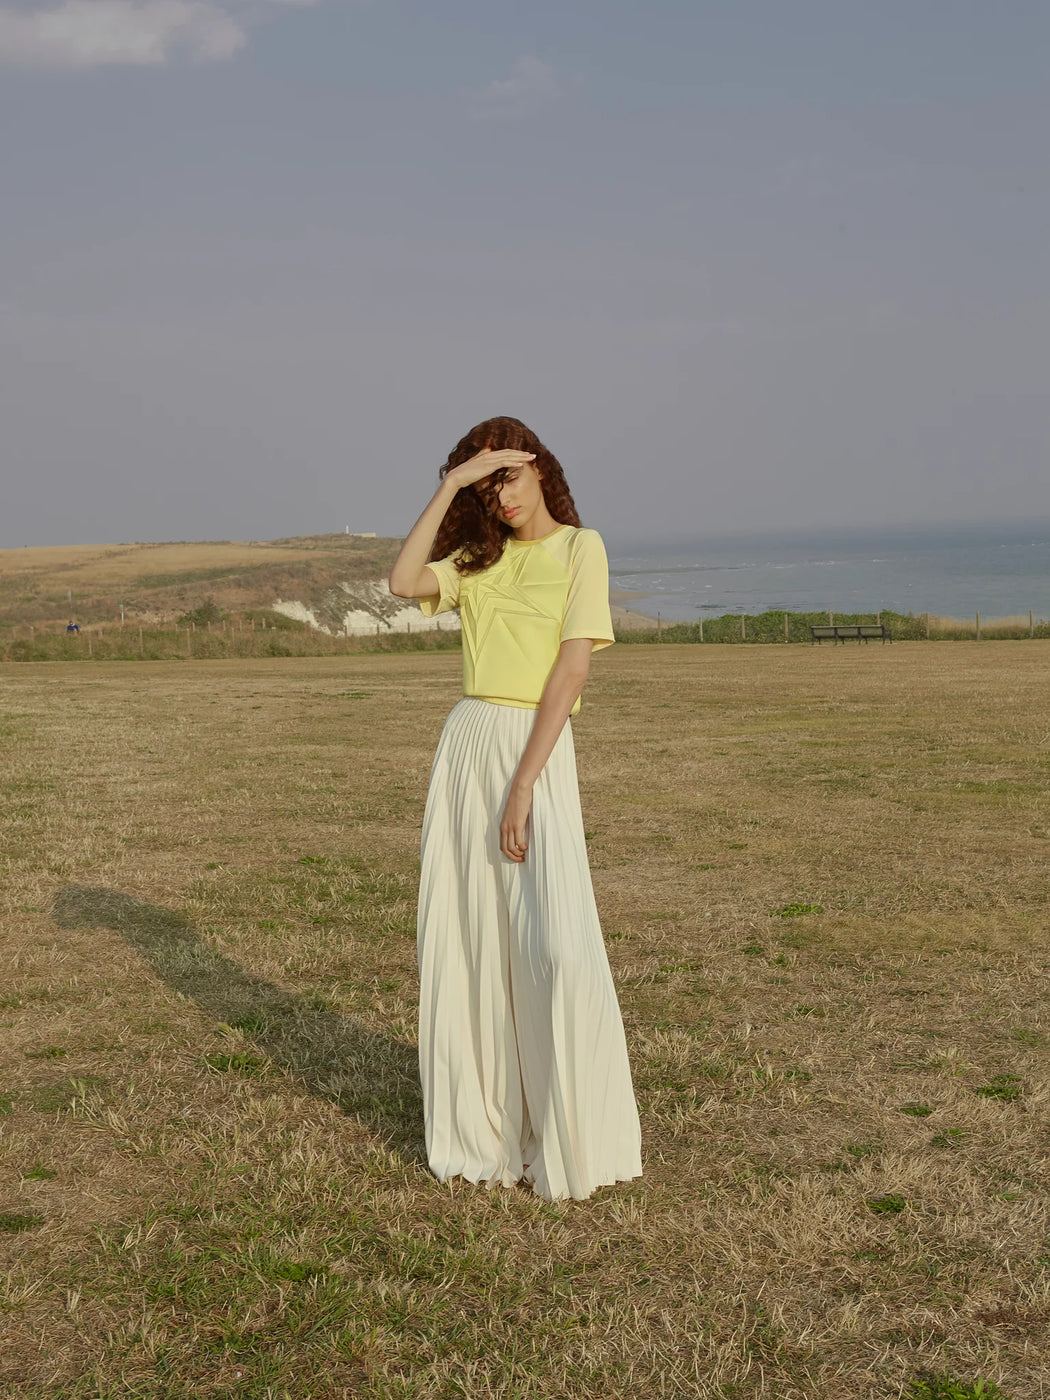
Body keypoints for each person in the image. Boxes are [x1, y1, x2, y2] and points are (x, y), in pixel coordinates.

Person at [388, 416, 642, 1201]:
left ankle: (570, 1130)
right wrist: (450, 486)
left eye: (510, 477)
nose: (502, 497)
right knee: (470, 937)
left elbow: (570, 675)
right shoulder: (474, 561)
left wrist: (527, 782)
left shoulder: (580, 548)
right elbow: (401, 583)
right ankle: (486, 1129)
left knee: (555, 942)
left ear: (541, 472)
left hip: (535, 748)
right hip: (469, 746)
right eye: (487, 485)